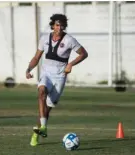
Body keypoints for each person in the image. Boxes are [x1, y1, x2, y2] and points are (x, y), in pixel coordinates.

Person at [25, 14, 88, 146]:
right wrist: (29, 69)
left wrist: (71, 64)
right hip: (46, 74)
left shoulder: (70, 40)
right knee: (41, 91)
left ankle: (38, 132)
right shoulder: (44, 38)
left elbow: (84, 53)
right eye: (57, 25)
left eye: (62, 25)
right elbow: (36, 57)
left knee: (46, 110)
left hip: (60, 77)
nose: (59, 28)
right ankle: (42, 128)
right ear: (53, 25)